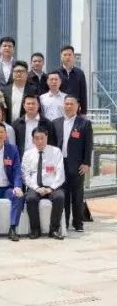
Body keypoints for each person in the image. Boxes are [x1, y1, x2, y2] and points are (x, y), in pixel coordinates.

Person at [54, 96, 92, 232]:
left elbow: (88, 145)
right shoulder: (56, 122)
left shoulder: (84, 123)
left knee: (77, 195)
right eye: (66, 104)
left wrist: (86, 163)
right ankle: (64, 222)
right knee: (63, 194)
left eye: (71, 104)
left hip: (77, 164)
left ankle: (78, 223)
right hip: (60, 164)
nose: (68, 106)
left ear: (77, 106)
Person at [22, 128, 67, 240]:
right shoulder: (28, 154)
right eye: (37, 138)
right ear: (33, 140)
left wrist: (51, 188)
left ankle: (54, 229)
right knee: (30, 199)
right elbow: (25, 175)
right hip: (35, 186)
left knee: (60, 197)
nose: (40, 141)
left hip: (52, 186)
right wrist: (36, 188)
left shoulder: (56, 152)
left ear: (47, 138)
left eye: (42, 138)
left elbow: (60, 173)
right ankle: (35, 230)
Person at [55, 45, 88, 116]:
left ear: (73, 57)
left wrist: (83, 112)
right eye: (65, 55)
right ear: (61, 57)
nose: (67, 57)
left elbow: (83, 93)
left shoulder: (80, 73)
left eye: (70, 55)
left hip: (75, 110)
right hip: (60, 110)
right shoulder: (56, 73)